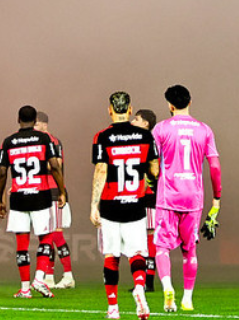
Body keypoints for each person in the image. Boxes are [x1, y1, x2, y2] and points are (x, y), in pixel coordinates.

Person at [152, 85, 222, 313]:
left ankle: (167, 287)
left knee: (162, 247)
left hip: (168, 195)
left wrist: (152, 180)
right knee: (189, 250)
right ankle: (188, 299)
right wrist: (217, 199)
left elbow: (152, 164)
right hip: (193, 197)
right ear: (190, 102)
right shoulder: (204, 130)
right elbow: (214, 166)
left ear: (169, 105)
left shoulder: (161, 129)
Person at [90, 92, 160, 320]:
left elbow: (100, 170)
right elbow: (155, 170)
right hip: (135, 203)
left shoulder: (102, 136)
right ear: (130, 110)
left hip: (111, 204)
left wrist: (94, 205)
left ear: (109, 110)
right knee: (137, 253)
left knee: (111, 255)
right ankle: (139, 287)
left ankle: (113, 308)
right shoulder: (145, 136)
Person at [0, 105, 66, 299]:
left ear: (18, 119)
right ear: (35, 121)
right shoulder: (44, 139)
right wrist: (61, 191)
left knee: (22, 243)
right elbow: (54, 166)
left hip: (19, 197)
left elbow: (1, 172)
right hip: (41, 195)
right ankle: (39, 278)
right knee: (46, 237)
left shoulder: (8, 142)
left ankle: (25, 288)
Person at [33, 111, 75, 289]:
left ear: (44, 125)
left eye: (36, 125)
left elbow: (55, 164)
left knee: (56, 234)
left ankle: (68, 275)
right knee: (45, 235)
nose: (34, 128)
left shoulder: (52, 141)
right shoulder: (35, 142)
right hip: (40, 192)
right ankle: (49, 276)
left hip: (54, 192)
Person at [131, 108, 159, 292]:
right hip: (136, 197)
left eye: (137, 119)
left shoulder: (150, 142)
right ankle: (142, 280)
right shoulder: (136, 140)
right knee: (139, 239)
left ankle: (148, 281)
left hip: (149, 197)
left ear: (146, 124)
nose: (133, 121)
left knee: (149, 238)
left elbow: (155, 171)